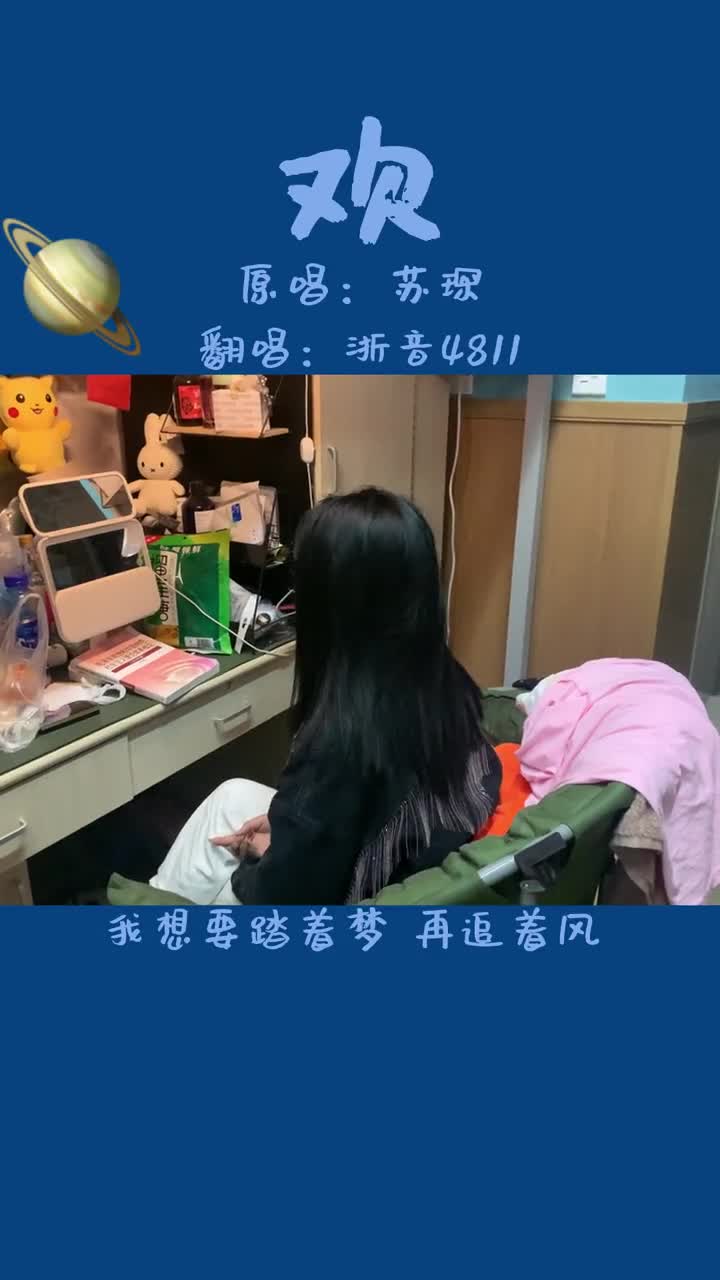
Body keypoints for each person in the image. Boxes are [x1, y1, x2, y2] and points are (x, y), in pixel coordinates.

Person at [151, 487, 501, 905]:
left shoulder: (342, 739)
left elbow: (283, 895)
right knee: (231, 796)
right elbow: (359, 813)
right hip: (399, 853)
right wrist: (288, 829)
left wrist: (262, 859)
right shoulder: (446, 683)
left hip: (342, 903)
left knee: (207, 866)